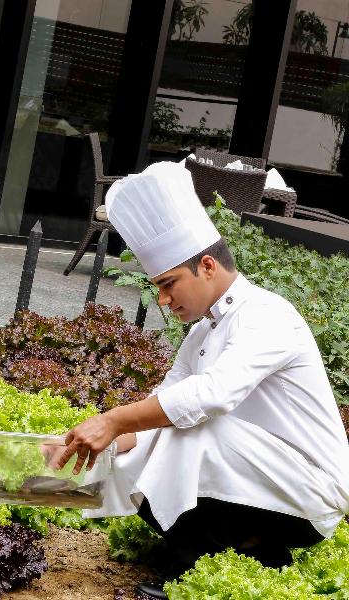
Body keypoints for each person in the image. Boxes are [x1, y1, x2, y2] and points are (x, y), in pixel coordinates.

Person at [52, 162, 349, 599]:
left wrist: (112, 420)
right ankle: (253, 551)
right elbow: (162, 403)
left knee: (191, 427)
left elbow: (210, 396)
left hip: (310, 495)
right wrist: (82, 445)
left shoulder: (268, 314)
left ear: (207, 266)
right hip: (255, 481)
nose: (163, 299)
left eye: (169, 283)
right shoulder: (202, 332)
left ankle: (192, 563)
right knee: (143, 443)